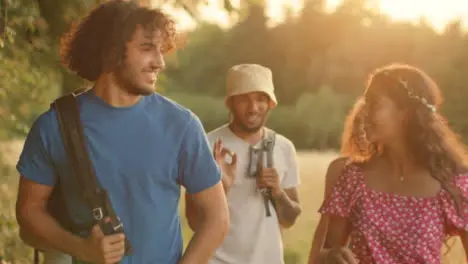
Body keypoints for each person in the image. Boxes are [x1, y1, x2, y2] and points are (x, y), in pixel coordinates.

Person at [14, 1, 229, 264]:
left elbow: (217, 218)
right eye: (147, 48)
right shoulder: (54, 126)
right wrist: (81, 248)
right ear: (110, 51)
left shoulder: (181, 125)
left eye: (161, 50)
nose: (159, 62)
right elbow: (29, 211)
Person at [313, 63, 468, 263]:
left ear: (405, 113)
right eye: (365, 102)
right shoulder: (352, 178)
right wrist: (332, 256)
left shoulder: (453, 184)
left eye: (374, 104)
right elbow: (325, 253)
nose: (363, 112)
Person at [185, 63, 302, 264]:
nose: (253, 108)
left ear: (271, 103)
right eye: (243, 100)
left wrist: (277, 191)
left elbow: (289, 219)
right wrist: (221, 186)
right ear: (230, 103)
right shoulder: (208, 145)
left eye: (260, 99)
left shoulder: (284, 147)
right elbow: (194, 222)